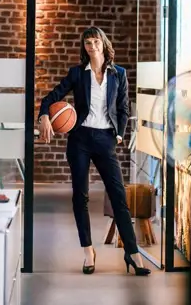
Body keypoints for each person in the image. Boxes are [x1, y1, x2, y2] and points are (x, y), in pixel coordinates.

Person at [38, 26, 150, 277]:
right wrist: (44, 115)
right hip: (79, 139)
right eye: (87, 43)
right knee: (81, 196)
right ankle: (88, 251)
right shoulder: (77, 74)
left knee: (118, 196)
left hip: (105, 139)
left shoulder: (119, 74)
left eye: (96, 41)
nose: (92, 46)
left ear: (103, 43)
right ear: (84, 47)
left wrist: (119, 134)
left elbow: (122, 108)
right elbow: (50, 97)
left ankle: (132, 253)